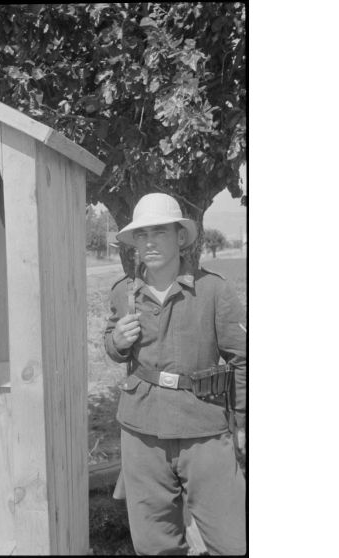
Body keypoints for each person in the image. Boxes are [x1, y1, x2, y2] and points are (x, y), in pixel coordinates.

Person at [104, 193, 246, 555]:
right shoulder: (123, 293)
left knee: (230, 542)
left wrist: (243, 424)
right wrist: (117, 342)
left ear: (180, 238)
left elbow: (242, 359)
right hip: (141, 431)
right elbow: (111, 344)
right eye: (142, 234)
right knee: (154, 543)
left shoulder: (214, 290)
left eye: (160, 232)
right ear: (134, 242)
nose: (149, 242)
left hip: (204, 429)